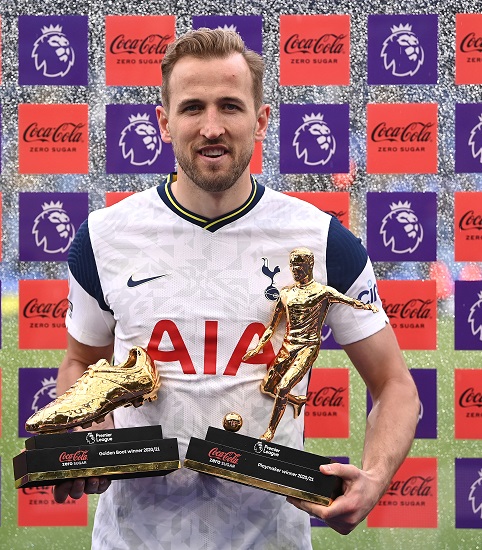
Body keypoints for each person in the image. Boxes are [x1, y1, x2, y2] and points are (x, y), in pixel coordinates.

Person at [54, 28, 419, 547]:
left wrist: (375, 478)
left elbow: (395, 385)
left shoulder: (322, 240)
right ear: (164, 123)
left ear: (260, 120)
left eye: (230, 106)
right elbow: (81, 362)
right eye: (192, 108)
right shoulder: (103, 238)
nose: (212, 127)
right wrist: (85, 433)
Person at [242, 247, 380, 442]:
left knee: (282, 388)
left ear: (310, 265)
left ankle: (270, 432)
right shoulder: (286, 294)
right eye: (292, 265)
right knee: (268, 387)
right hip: (289, 345)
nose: (295, 269)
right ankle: (297, 401)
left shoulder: (322, 292)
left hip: (308, 346)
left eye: (299, 265)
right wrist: (257, 348)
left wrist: (367, 306)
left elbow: (348, 300)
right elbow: (272, 327)